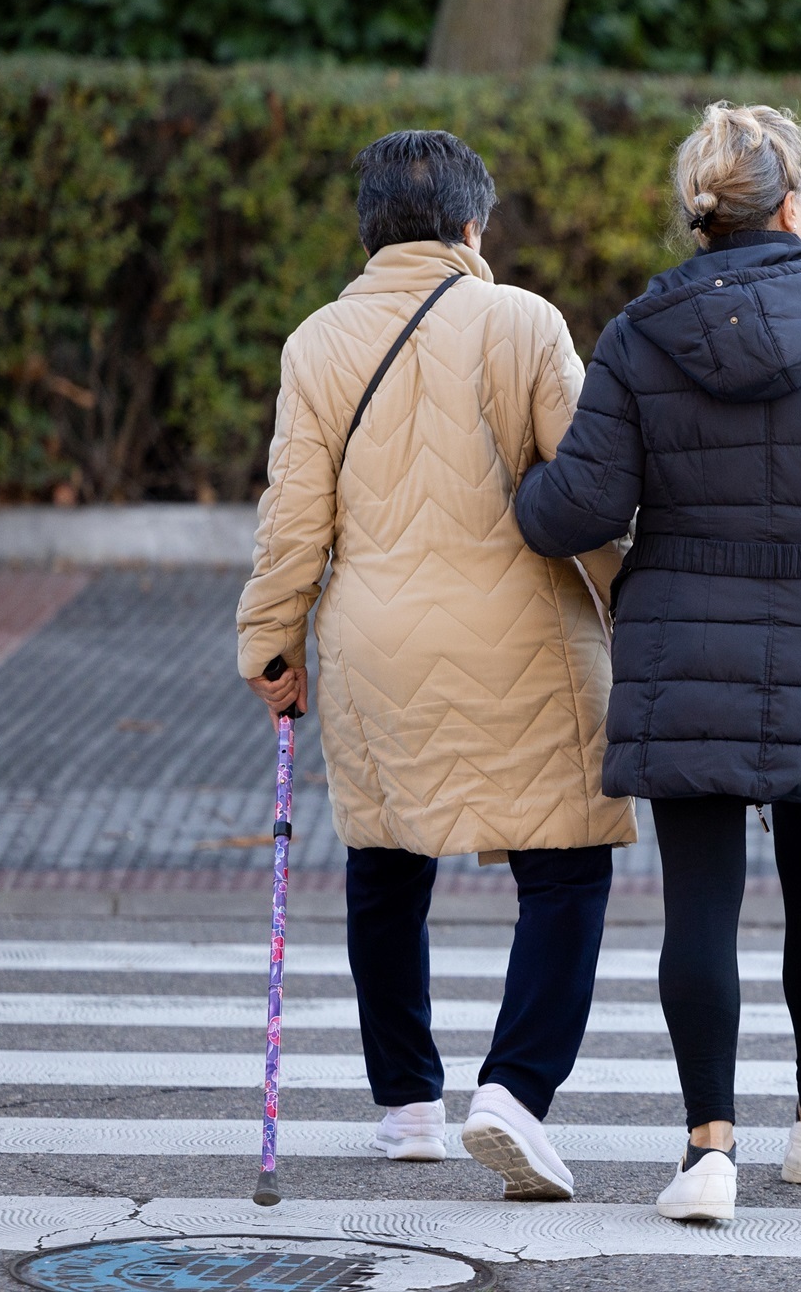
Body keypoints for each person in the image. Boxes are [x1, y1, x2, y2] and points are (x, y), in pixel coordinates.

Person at [514, 101, 801, 1223]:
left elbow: (577, 504)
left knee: (700, 905)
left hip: (684, 650)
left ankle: (705, 1150)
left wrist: (520, 492)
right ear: (787, 204)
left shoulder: (636, 337)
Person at [236, 129, 634, 1202]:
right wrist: (637, 597)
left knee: (386, 857)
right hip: (525, 633)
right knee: (564, 866)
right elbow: (592, 493)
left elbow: (293, 521)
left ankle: (407, 1101)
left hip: (374, 639)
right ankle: (513, 1089)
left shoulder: (315, 343)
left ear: (368, 229)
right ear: (473, 225)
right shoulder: (523, 323)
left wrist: (270, 640)